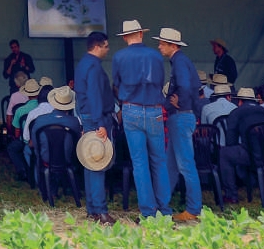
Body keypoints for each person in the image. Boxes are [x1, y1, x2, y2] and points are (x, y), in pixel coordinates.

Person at [110, 19, 170, 220]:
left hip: (131, 109)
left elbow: (116, 84)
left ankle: (148, 213)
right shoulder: (155, 55)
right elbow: (161, 81)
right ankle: (165, 210)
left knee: (140, 163)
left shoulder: (119, 56)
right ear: (141, 34)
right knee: (159, 161)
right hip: (154, 109)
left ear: (125, 37)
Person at [157, 26, 205, 224]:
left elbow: (185, 86)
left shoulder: (179, 62)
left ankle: (193, 209)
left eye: (162, 43)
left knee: (185, 165)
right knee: (171, 165)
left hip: (181, 116)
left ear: (172, 45)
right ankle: (162, 206)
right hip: (182, 115)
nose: (159, 46)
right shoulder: (180, 61)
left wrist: (179, 104)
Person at [75, 30, 115, 224]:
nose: (108, 50)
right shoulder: (95, 66)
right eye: (106, 46)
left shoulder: (82, 64)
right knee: (98, 161)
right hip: (97, 117)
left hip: (86, 115)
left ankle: (92, 208)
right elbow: (95, 95)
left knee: (89, 162)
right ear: (98, 46)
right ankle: (101, 211)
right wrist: (100, 123)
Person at [218, 87, 264, 201]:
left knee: (224, 154)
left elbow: (231, 142)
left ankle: (231, 194)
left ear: (240, 101)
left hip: (251, 155)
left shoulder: (236, 113)